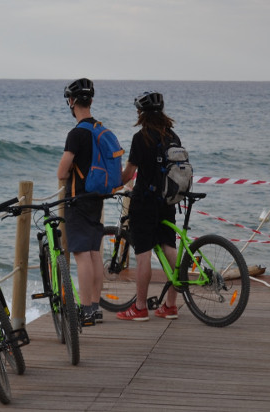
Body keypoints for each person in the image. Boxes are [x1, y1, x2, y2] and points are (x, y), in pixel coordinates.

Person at [116, 91, 180, 321]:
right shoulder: (172, 136)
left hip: (144, 203)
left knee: (143, 255)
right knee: (169, 248)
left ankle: (140, 307)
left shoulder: (141, 137)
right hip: (168, 202)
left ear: (142, 113)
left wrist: (113, 182)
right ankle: (170, 305)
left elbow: (129, 173)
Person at [56, 78, 108, 326]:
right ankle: (95, 307)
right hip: (97, 198)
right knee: (94, 252)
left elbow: (62, 172)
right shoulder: (100, 129)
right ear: (92, 101)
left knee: (81, 255)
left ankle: (85, 309)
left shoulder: (76, 134)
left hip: (77, 200)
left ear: (72, 101)